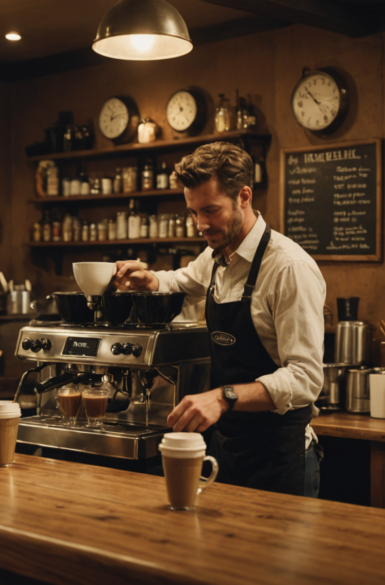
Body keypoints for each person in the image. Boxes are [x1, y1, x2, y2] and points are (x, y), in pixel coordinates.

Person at [114, 142, 326, 498]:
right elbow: (182, 281)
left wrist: (223, 397)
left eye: (210, 210)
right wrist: (149, 280)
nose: (201, 224)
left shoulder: (288, 267)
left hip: (279, 458)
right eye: (193, 212)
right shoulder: (217, 255)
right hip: (226, 452)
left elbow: (305, 379)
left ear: (244, 196)